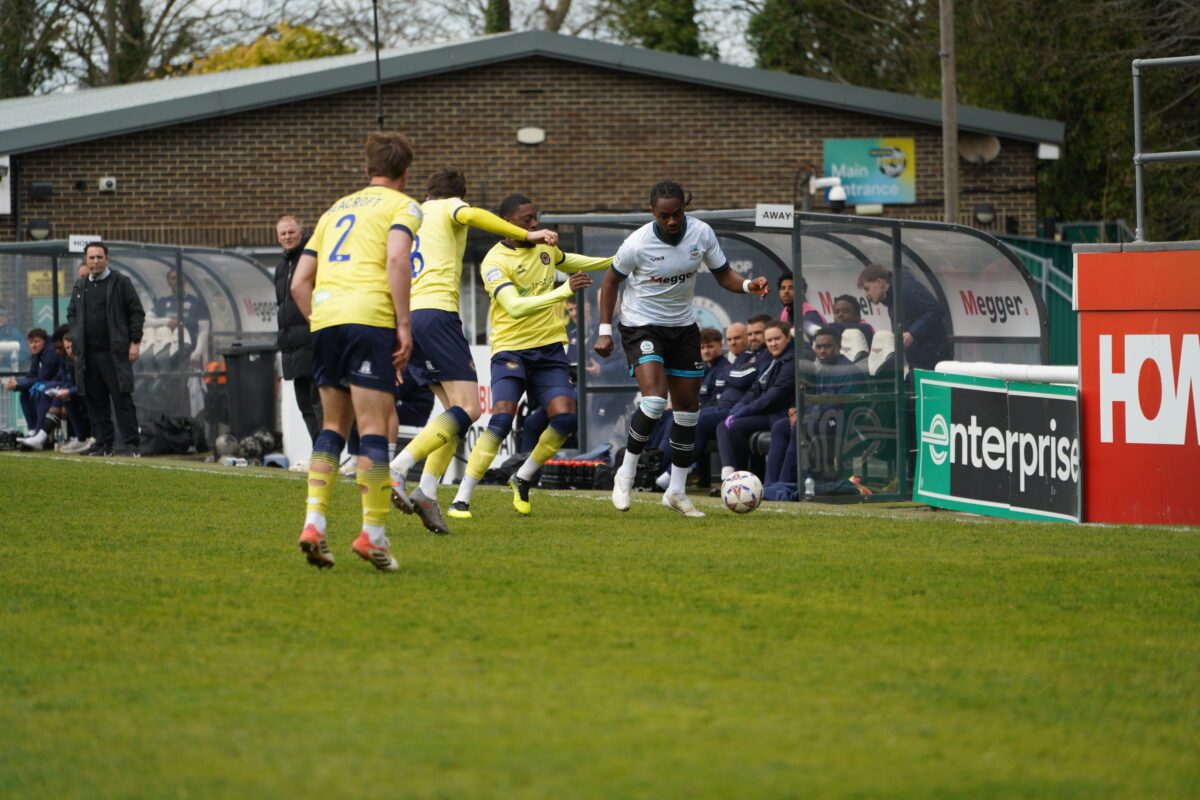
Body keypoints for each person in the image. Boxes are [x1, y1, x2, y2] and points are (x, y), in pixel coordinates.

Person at [387, 167, 560, 535]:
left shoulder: (413, 215)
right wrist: (529, 233)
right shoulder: (450, 207)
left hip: (410, 315)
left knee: (453, 414)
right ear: (457, 195)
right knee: (470, 408)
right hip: (437, 314)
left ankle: (428, 491)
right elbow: (474, 216)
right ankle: (399, 467)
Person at [595, 180, 769, 517]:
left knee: (689, 410)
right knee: (657, 400)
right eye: (664, 216)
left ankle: (676, 491)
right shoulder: (637, 243)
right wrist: (605, 331)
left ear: (684, 209)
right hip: (641, 325)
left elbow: (724, 275)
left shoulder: (701, 234)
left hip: (683, 328)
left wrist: (749, 285)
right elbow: (610, 281)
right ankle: (625, 475)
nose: (672, 221)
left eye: (677, 214)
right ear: (653, 213)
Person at [290, 131, 422, 572]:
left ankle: (314, 524)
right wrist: (403, 324)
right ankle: (374, 535)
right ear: (405, 173)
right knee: (373, 429)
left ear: (367, 172)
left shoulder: (333, 210)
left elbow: (298, 283)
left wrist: (322, 321)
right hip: (370, 320)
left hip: (327, 320)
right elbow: (397, 260)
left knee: (332, 426)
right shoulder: (403, 206)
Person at [448, 194, 612, 519]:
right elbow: (514, 306)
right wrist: (564, 291)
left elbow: (570, 260)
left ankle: (522, 477)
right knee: (502, 420)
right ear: (507, 224)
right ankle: (462, 497)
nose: (534, 224)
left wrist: (613, 261)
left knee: (565, 419)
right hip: (511, 350)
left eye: (535, 217)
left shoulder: (546, 247)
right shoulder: (494, 262)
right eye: (527, 220)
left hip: (550, 350)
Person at [67, 242, 145, 456]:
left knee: (122, 399)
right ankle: (103, 443)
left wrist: (134, 342)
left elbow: (136, 313)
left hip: (115, 354)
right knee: (95, 401)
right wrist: (75, 338)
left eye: (99, 257)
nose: (95, 261)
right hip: (88, 356)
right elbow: (71, 313)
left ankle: (132, 445)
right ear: (86, 260)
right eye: (91, 258)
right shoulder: (80, 285)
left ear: (107, 259)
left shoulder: (121, 282)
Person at [650, 327, 729, 489]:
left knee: (675, 420)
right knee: (660, 416)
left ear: (721, 345)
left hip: (709, 416)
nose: (706, 351)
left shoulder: (725, 369)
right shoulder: (703, 368)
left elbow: (718, 403)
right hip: (695, 411)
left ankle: (656, 471)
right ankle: (649, 461)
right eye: (702, 347)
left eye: (710, 346)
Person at [715, 319, 795, 479]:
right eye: (769, 340)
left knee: (735, 426)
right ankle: (734, 477)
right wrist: (738, 407)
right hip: (768, 412)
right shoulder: (769, 357)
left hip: (781, 414)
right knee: (725, 426)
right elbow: (755, 389)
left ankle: (740, 478)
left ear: (788, 337)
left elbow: (772, 398)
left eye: (777, 339)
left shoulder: (791, 361)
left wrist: (742, 412)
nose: (773, 344)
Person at [275, 215, 323, 444]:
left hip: (312, 344)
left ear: (301, 233)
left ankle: (328, 453)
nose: (287, 237)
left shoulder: (312, 258)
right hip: (292, 349)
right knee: (305, 405)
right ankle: (319, 451)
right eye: (283, 233)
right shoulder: (281, 266)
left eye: (291, 232)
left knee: (318, 403)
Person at [857, 263, 951, 370]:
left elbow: (936, 310)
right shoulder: (892, 299)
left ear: (879, 282)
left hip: (932, 357)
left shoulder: (905, 288)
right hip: (919, 358)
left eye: (867, 288)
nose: (866, 295)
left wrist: (912, 333)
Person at [17, 330, 89, 451]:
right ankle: (35, 432)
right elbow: (64, 380)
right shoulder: (64, 358)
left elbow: (87, 384)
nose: (68, 351)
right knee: (34, 392)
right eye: (30, 342)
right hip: (73, 391)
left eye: (69, 347)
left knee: (49, 391)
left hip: (89, 395)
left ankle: (41, 436)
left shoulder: (58, 355)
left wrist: (68, 391)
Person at [4, 327, 59, 432]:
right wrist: (18, 383)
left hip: (56, 385)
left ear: (44, 341)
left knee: (38, 392)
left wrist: (18, 385)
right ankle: (32, 430)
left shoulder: (50, 352)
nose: (33, 345)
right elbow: (31, 375)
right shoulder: (37, 353)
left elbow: (42, 377)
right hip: (47, 384)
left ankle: (41, 432)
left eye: (37, 342)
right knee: (25, 393)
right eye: (31, 342)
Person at [151, 269, 210, 365]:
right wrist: (166, 321)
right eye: (173, 279)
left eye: (179, 278)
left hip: (189, 351)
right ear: (168, 282)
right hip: (165, 347)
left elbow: (204, 329)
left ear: (185, 281)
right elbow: (145, 321)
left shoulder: (197, 303)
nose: (176, 282)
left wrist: (198, 352)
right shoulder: (162, 302)